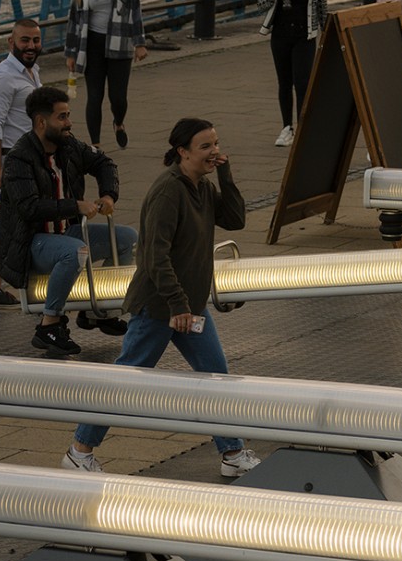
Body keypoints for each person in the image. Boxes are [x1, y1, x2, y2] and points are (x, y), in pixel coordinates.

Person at [64, 118, 260, 479]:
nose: (214, 151)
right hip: (160, 307)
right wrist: (178, 305)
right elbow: (154, 255)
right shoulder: (169, 191)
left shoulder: (200, 186)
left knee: (216, 378)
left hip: (188, 305)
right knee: (127, 381)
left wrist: (226, 173)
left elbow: (235, 219)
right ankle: (80, 450)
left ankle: (232, 451)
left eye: (216, 144)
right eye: (205, 146)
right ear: (182, 151)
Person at [0, 84, 132, 357]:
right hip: (28, 243)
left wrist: (108, 194)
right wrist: (75, 206)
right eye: (62, 117)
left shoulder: (68, 146)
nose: (69, 123)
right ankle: (49, 322)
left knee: (127, 238)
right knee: (73, 253)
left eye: (68, 115)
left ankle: (98, 311)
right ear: (41, 122)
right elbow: (29, 208)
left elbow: (104, 163)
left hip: (65, 232)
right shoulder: (19, 159)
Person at [0, 19, 45, 307]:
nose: (31, 46)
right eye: (25, 41)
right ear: (11, 43)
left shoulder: (32, 71)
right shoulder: (2, 77)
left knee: (13, 226)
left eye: (35, 40)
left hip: (30, 159)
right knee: (10, 227)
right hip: (11, 161)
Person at [64, 0, 146, 149]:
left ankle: (118, 122)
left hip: (120, 44)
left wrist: (140, 43)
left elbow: (136, 16)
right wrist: (71, 54)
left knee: (118, 98)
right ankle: (96, 145)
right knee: (95, 96)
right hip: (92, 45)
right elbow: (73, 23)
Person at [256, 0, 330, 148]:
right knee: (284, 82)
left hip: (304, 37)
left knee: (303, 84)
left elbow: (323, 12)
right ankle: (286, 127)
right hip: (280, 37)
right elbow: (261, 5)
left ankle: (304, 129)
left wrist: (328, 36)